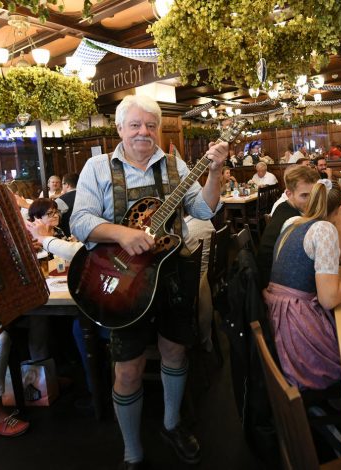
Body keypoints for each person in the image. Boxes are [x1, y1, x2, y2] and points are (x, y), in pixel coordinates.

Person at [70, 94, 228, 469]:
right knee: (127, 368)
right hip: (122, 280)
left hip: (172, 275)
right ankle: (132, 450)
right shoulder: (97, 167)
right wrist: (122, 234)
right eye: (136, 125)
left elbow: (204, 208)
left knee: (175, 351)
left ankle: (171, 424)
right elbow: (80, 221)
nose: (144, 131)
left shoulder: (174, 164)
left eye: (151, 125)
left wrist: (215, 173)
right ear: (120, 129)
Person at [263, 180, 341, 391]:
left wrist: (339, 220)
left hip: (277, 315)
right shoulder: (323, 230)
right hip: (298, 326)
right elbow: (329, 300)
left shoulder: (293, 222)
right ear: (340, 206)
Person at [257, 165, 320, 287]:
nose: (311, 201)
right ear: (289, 193)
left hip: (274, 276)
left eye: (314, 195)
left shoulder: (285, 205)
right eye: (304, 195)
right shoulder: (293, 220)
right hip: (275, 284)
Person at [55, 173, 78, 237]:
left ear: (67, 185)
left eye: (62, 184)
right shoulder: (88, 195)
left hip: (70, 235)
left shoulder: (61, 200)